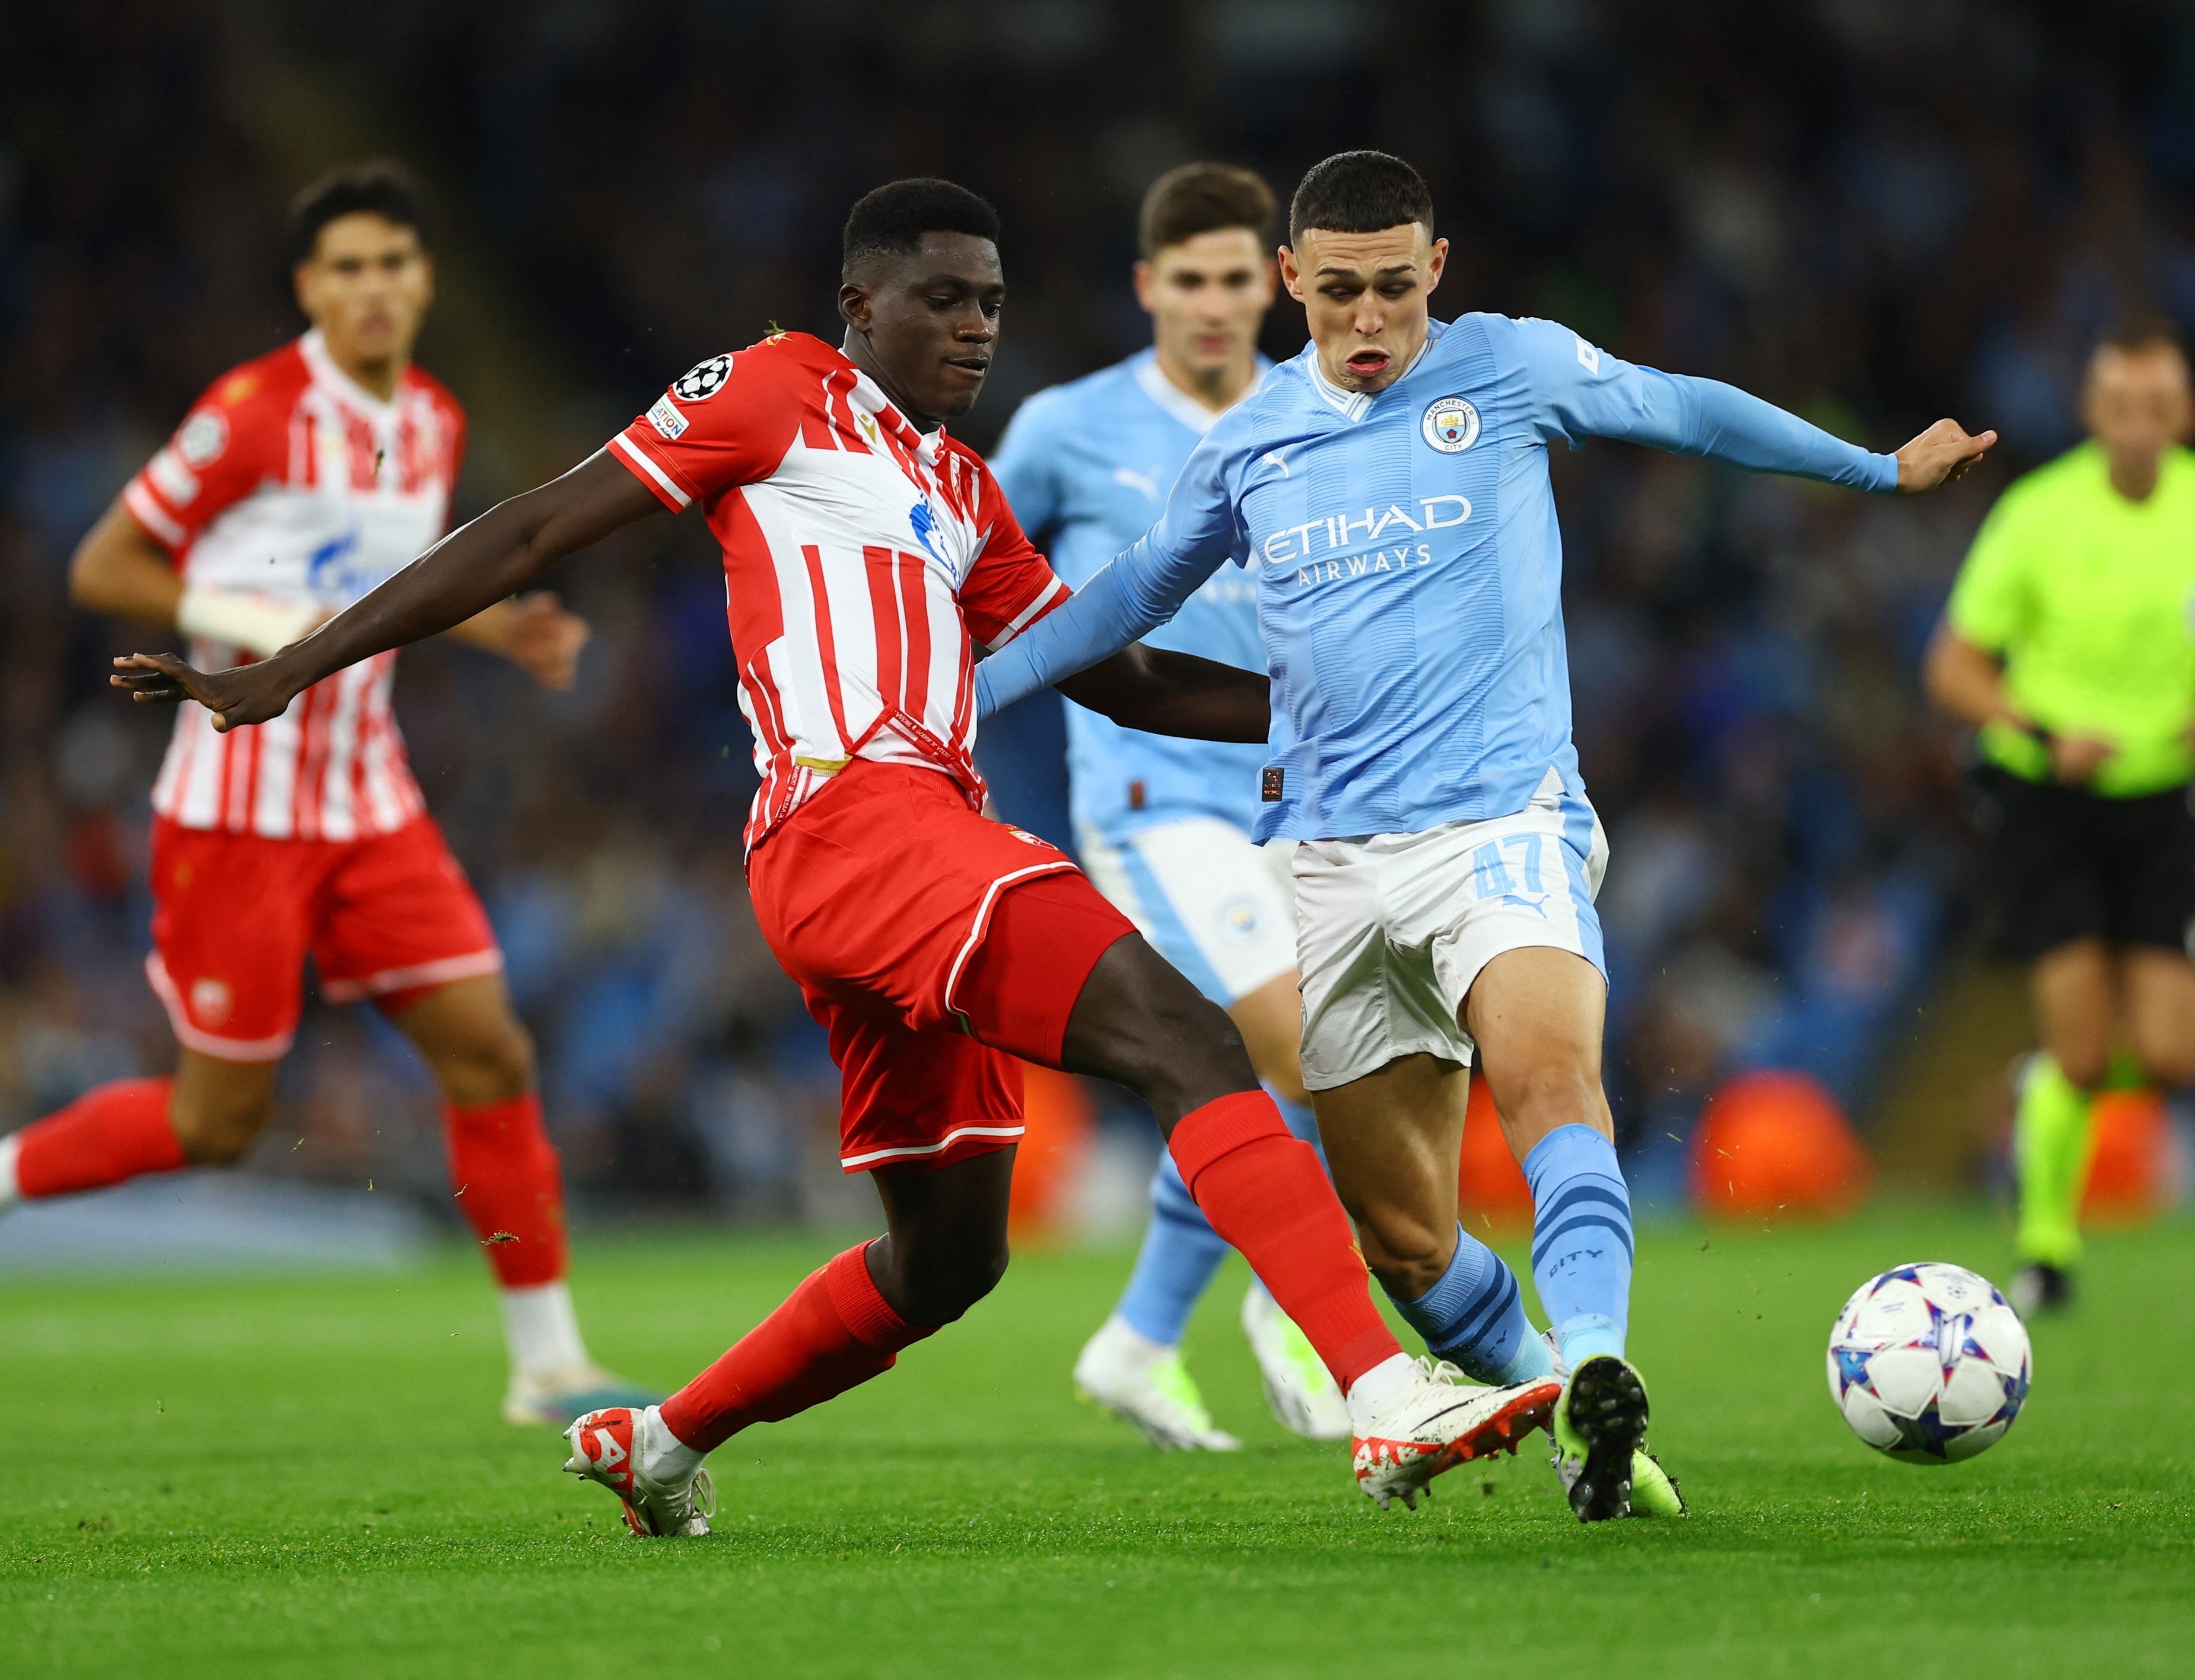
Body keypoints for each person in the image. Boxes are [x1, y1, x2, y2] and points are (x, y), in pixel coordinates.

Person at [112, 178, 1564, 1536]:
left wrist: (1347, 703)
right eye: (942, 299)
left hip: (886, 860)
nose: (976, 326)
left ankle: (662, 1443)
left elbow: (1117, 679)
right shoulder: (770, 390)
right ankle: (1384, 1392)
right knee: (1183, 1033)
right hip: (858, 822)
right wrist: (292, 665)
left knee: (951, 1262)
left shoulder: (961, 490)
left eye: (991, 301)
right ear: (859, 306)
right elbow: (538, 526)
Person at [976, 150, 1996, 1521]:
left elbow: (1679, 409)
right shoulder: (1250, 442)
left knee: (1549, 1085)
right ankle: (1577, 1421)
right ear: (1292, 284)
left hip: (1501, 823)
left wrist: (1874, 471)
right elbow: (1124, 600)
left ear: (1436, 271)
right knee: (1405, 1241)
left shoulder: (1510, 370)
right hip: (1328, 866)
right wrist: (962, 693)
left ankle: (1596, 1362)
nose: (1371, 319)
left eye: (1397, 287)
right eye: (1339, 292)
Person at [0, 161, 654, 1427]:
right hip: (236, 808)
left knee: (490, 1048)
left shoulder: (435, 422)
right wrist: (246, 623)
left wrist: (497, 628)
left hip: (370, 803)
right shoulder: (250, 411)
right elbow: (103, 563)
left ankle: (549, 1364)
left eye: (394, 265)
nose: (373, 289)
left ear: (423, 279)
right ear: (309, 286)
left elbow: (385, 578)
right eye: (346, 268)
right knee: (216, 1122)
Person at [991, 163, 1346, 1450]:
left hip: (1306, 802)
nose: (1210, 305)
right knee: (1292, 1042)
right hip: (1151, 805)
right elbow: (953, 567)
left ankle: (1137, 1341)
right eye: (1186, 281)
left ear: (1279, 284)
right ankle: (1295, 1309)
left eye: (1235, 279)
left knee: (1299, 1061)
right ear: (1147, 287)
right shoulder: (1065, 429)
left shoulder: (1325, 416)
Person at [1924, 316, 2195, 1317]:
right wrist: (2043, 728)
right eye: (2120, 406)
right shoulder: (2038, 515)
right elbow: (1954, 668)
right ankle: (2048, 1244)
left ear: (2185, 414)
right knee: (2085, 1048)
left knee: (2179, 1052)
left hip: (2160, 795)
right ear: (2092, 412)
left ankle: (2042, 1100)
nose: (2139, 425)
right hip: (2047, 794)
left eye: (2158, 406)